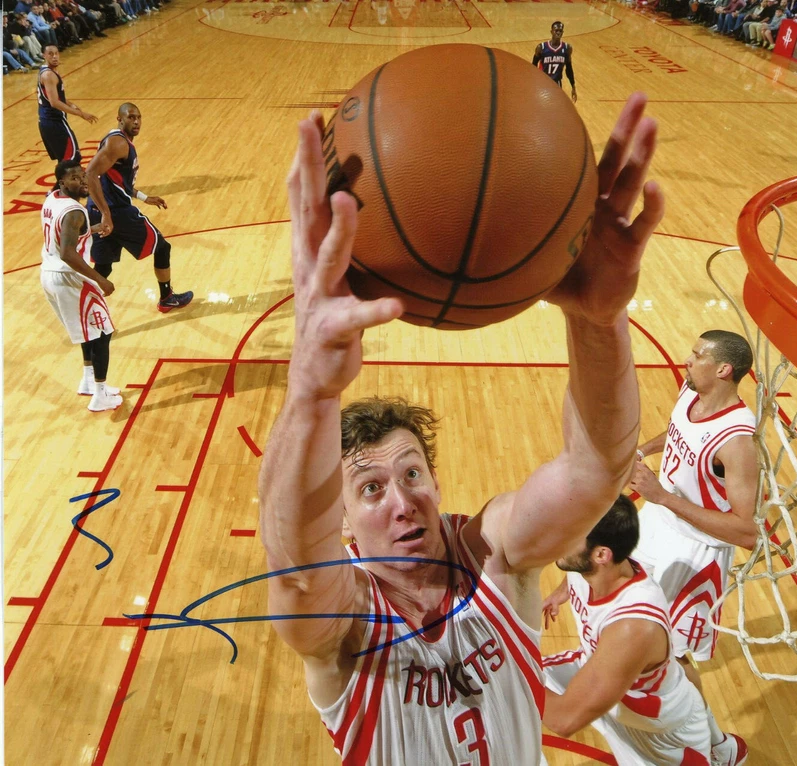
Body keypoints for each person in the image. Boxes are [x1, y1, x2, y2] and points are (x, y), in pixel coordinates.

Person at [257, 96, 664, 764]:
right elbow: (296, 572)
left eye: (412, 473)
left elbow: (596, 473)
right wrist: (308, 392)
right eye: (369, 489)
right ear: (344, 526)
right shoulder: (345, 620)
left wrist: (598, 322)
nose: (401, 499)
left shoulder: (492, 552)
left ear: (437, 482)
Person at [628, 330, 758, 766]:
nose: (687, 359)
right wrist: (643, 450)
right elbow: (677, 430)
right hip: (656, 526)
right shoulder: (691, 390)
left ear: (724, 369)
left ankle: (715, 747)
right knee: (625, 614)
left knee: (675, 658)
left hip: (696, 555)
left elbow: (745, 531)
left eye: (697, 355)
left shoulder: (737, 442)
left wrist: (662, 495)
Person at [540, 496, 711, 765]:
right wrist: (559, 594)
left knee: (513, 678)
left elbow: (564, 720)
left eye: (571, 532)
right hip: (608, 683)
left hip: (657, 731)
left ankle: (722, 750)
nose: (559, 536)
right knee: (501, 683)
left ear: (600, 555)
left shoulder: (632, 626)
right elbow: (574, 572)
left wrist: (514, 674)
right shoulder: (597, 565)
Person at [85, 102, 193, 312]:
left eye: (139, 117)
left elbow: (117, 181)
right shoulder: (119, 143)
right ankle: (166, 297)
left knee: (103, 266)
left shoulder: (117, 141)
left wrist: (143, 197)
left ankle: (84, 305)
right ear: (120, 119)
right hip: (115, 212)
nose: (136, 122)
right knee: (162, 247)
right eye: (131, 117)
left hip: (99, 209)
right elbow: (90, 174)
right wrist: (107, 214)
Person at [40, 159, 122, 412]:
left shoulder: (52, 198)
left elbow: (62, 234)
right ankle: (100, 395)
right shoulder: (75, 211)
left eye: (84, 176)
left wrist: (91, 230)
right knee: (103, 332)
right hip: (69, 278)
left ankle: (88, 380)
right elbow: (67, 252)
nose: (84, 181)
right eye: (75, 178)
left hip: (48, 274)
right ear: (62, 182)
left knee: (89, 331)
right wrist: (100, 279)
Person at [37, 44, 96, 163]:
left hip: (48, 121)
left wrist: (69, 104)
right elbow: (54, 102)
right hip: (54, 122)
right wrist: (81, 114)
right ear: (44, 55)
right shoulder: (48, 75)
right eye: (50, 54)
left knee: (65, 161)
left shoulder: (46, 71)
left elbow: (51, 97)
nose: (55, 57)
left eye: (56, 53)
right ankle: (63, 182)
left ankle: (62, 181)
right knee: (72, 160)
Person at [532, 21, 577, 103]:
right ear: (551, 31)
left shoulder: (567, 48)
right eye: (556, 30)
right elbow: (533, 67)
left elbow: (569, 69)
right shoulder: (541, 47)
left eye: (560, 31)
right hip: (543, 84)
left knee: (556, 110)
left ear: (563, 32)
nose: (558, 33)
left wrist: (573, 86)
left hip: (557, 84)